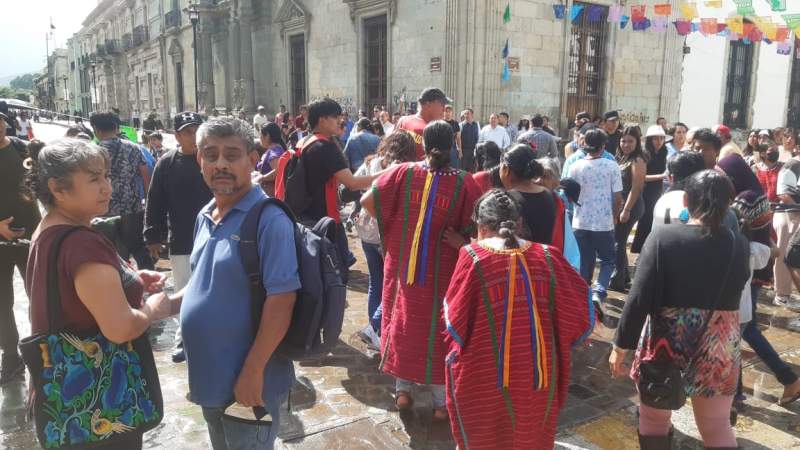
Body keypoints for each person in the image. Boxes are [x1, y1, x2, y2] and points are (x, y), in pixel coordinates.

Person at [147, 117, 300, 450]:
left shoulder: (268, 220)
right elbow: (203, 282)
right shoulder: (206, 214)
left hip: (250, 381)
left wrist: (253, 371)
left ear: (252, 158)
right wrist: (168, 304)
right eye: (210, 154)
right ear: (199, 159)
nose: (220, 164)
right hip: (209, 377)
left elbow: (282, 300)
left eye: (232, 155)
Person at [25, 138, 172, 448]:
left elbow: (74, 293)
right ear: (58, 188)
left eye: (105, 175)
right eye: (94, 179)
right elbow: (120, 328)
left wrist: (131, 279)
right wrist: (153, 310)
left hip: (62, 396)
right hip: (100, 404)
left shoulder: (48, 230)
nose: (107, 186)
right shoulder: (82, 242)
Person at [610, 170, 749, 450]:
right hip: (720, 343)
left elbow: (639, 297)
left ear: (685, 200)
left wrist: (620, 346)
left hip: (667, 340)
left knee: (654, 419)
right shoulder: (739, 244)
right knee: (717, 425)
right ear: (727, 204)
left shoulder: (664, 238)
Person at [442, 189, 591, 450]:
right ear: (519, 223)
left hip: (484, 372)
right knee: (530, 434)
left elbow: (455, 323)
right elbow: (579, 310)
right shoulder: (548, 256)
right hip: (539, 374)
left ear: (481, 225)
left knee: (483, 436)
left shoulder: (473, 257)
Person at [360, 120, 480, 421]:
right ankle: (441, 403)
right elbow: (479, 226)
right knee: (439, 330)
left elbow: (367, 201)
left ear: (422, 145)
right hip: (444, 275)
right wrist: (460, 241)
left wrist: (395, 231)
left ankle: (402, 391)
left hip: (404, 274)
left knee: (403, 323)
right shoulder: (465, 182)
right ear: (453, 143)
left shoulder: (402, 173)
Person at [144, 112, 213, 363]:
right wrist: (153, 234)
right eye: (187, 132)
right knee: (184, 289)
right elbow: (155, 201)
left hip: (216, 237)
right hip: (182, 238)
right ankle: (184, 338)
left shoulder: (212, 159)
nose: (193, 136)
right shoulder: (167, 163)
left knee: (215, 288)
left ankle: (213, 334)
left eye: (197, 130)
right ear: (177, 136)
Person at [353, 132, 417, 349]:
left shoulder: (371, 162)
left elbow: (356, 187)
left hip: (365, 230)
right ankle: (375, 327)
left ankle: (376, 333)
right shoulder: (403, 168)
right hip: (385, 232)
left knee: (375, 282)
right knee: (394, 284)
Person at [0, 114, 41, 385]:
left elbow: (42, 182)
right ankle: (10, 357)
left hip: (32, 237)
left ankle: (42, 351)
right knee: (2, 304)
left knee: (39, 297)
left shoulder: (21, 148)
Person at [568, 128, 623, 310]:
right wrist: (615, 215)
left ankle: (582, 296)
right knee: (608, 260)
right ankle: (598, 292)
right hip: (603, 222)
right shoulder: (611, 166)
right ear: (603, 145)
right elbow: (617, 197)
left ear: (585, 144)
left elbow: (569, 193)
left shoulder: (575, 166)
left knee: (585, 260)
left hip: (580, 222)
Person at [90, 112, 152, 270]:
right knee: (138, 245)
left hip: (103, 209)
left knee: (109, 250)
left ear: (95, 129)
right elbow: (146, 176)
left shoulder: (91, 152)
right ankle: (151, 278)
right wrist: (147, 202)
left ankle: (119, 280)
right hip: (132, 206)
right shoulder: (133, 148)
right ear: (116, 128)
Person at [498, 144, 558, 246]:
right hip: (543, 257)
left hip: (517, 260)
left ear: (506, 169)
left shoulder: (504, 198)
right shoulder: (547, 194)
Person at [610, 126, 646, 292]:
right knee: (620, 240)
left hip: (632, 204)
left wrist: (626, 210)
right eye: (623, 140)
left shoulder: (637, 160)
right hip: (622, 203)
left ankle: (617, 280)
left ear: (637, 142)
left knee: (618, 241)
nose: (626, 144)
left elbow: (636, 187)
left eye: (630, 141)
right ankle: (623, 277)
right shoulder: (622, 158)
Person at [631, 125, 668, 254]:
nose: (659, 142)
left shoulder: (664, 153)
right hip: (645, 190)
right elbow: (641, 177)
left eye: (661, 138)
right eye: (655, 139)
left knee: (654, 220)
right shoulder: (644, 154)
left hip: (657, 190)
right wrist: (661, 176)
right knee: (644, 220)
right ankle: (639, 249)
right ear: (649, 140)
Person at [773, 149, 800, 310]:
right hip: (789, 216)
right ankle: (781, 295)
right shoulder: (793, 165)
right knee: (785, 255)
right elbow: (783, 193)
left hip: (795, 215)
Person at [394, 87, 451, 160]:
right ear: (428, 105)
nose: (444, 109)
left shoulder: (402, 120)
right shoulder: (433, 130)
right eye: (442, 104)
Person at [255, 122, 288, 196]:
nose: (259, 138)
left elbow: (278, 171)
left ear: (267, 136)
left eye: (260, 135)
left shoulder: (274, 151)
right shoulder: (275, 149)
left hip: (271, 193)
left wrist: (261, 178)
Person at [459, 108, 480, 172]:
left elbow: (479, 137)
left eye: (468, 114)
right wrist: (460, 151)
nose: (466, 115)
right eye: (465, 114)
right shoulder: (460, 125)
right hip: (464, 151)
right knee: (462, 170)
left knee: (472, 169)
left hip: (474, 151)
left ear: (472, 115)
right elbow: (458, 138)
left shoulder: (477, 124)